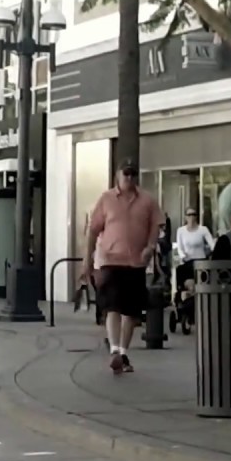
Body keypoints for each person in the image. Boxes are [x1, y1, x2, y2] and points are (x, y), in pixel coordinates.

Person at [81, 160, 164, 374]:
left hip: (136, 262)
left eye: (132, 174)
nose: (129, 177)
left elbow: (155, 226)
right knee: (112, 306)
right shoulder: (106, 199)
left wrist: (150, 246)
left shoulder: (147, 201)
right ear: (118, 175)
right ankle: (114, 351)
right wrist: (87, 260)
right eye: (125, 174)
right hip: (110, 260)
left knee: (131, 311)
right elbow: (93, 230)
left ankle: (123, 353)